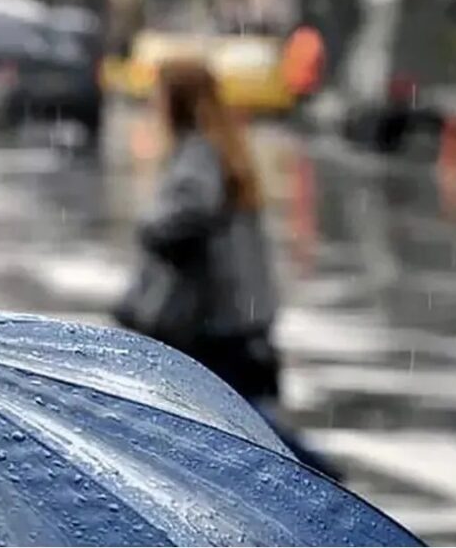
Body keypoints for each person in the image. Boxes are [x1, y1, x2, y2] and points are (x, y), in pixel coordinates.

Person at [114, 58, 341, 479]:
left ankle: (318, 477)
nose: (153, 106)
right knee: (241, 424)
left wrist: (151, 227)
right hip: (237, 319)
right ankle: (313, 477)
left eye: (158, 97)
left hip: (213, 323)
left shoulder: (199, 154)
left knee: (238, 427)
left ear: (175, 103)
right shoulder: (219, 149)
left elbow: (189, 213)